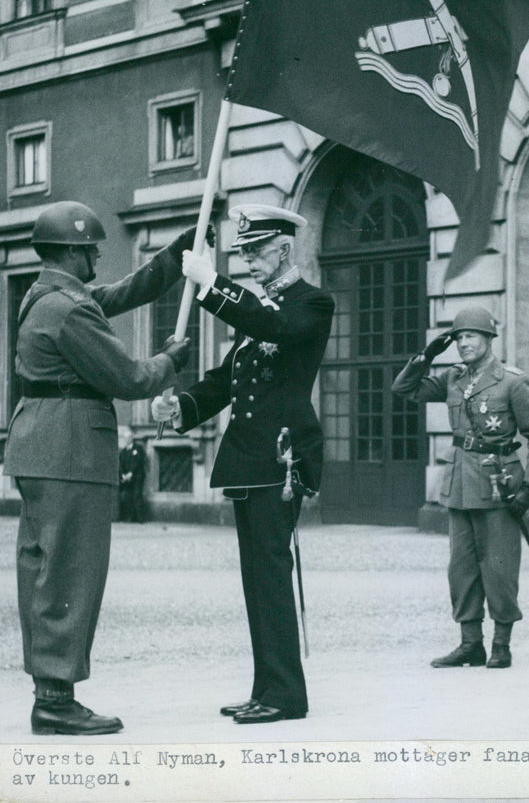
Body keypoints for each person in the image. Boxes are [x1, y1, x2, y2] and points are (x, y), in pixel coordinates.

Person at [4, 201, 192, 735]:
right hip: (70, 450)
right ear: (69, 250)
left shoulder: (46, 296)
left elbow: (117, 294)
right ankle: (56, 700)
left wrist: (177, 256)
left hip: (43, 444)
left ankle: (51, 692)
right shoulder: (68, 309)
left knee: (46, 569)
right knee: (70, 571)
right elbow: (129, 379)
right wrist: (169, 360)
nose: (96, 256)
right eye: (89, 249)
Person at [151, 204, 334, 724]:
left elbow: (273, 327)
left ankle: (287, 696)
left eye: (257, 251)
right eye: (244, 253)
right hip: (250, 459)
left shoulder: (311, 304)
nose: (251, 260)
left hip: (281, 457)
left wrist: (212, 284)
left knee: (271, 574)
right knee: (257, 578)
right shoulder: (260, 309)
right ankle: (266, 688)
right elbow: (223, 382)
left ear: (285, 248)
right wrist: (181, 406)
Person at [392, 306, 529, 669]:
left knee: (499, 565)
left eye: (471, 336)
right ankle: (470, 643)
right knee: (460, 566)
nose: (464, 343)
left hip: (499, 482)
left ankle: (501, 645)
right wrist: (426, 355)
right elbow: (403, 389)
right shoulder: (453, 379)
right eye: (459, 337)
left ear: (489, 339)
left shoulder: (512, 381)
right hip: (461, 480)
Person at [118, 425, 148, 523]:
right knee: (128, 497)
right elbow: (121, 464)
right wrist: (123, 474)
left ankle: (140, 518)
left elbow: (138, 461)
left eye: (128, 438)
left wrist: (131, 473)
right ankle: (132, 518)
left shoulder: (138, 448)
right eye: (125, 438)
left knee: (137, 495)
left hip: (137, 476)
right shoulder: (123, 452)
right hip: (127, 478)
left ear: (131, 438)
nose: (127, 440)